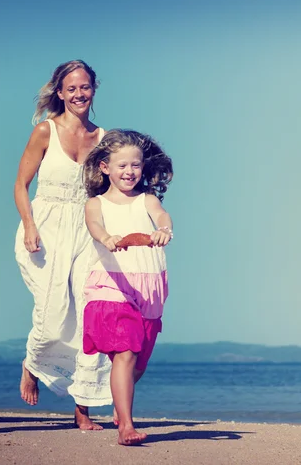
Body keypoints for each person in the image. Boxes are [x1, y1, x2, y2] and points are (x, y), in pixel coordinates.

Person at [14, 60, 112, 429]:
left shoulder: (105, 138)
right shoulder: (45, 131)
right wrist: (29, 226)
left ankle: (82, 409)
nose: (78, 94)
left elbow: (115, 187)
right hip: (45, 228)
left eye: (84, 87)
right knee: (53, 314)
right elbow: (20, 185)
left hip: (87, 230)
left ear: (94, 89)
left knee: (89, 316)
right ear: (60, 92)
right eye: (71, 89)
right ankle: (33, 363)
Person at [81, 129, 173, 445]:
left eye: (135, 165)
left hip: (149, 284)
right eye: (122, 166)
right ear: (105, 166)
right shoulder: (96, 203)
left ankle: (121, 404)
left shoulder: (148, 200)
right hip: (111, 282)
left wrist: (163, 230)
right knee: (126, 349)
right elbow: (95, 226)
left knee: (137, 360)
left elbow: (162, 216)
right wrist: (105, 238)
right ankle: (126, 428)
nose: (129, 172)